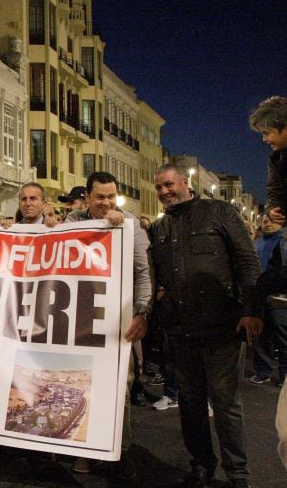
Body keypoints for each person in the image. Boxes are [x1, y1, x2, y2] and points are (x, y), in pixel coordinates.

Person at [149, 164, 261, 488]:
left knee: (227, 405)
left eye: (169, 184)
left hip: (222, 328)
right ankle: (201, 464)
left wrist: (251, 311)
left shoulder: (220, 213)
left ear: (185, 182)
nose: (164, 192)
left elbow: (247, 262)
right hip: (180, 331)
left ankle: (238, 474)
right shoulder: (159, 229)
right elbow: (156, 274)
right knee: (190, 404)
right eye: (159, 188)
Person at [64, 172, 151, 481]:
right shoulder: (72, 219)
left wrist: (142, 312)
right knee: (80, 384)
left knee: (119, 387)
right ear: (87, 197)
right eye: (100, 197)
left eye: (111, 196)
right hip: (79, 317)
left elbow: (143, 272)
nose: (106, 202)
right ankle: (83, 453)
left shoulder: (130, 224)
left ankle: (119, 451)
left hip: (119, 319)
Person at [250, 214, 286, 386]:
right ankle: (263, 371)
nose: (268, 224)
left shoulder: (283, 242)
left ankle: (285, 374)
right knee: (260, 336)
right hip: (259, 296)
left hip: (278, 297)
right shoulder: (256, 243)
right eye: (265, 221)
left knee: (282, 338)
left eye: (272, 221)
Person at [249, 96, 287, 225]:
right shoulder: (276, 160)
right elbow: (274, 192)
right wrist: (272, 211)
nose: (264, 140)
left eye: (266, 133)